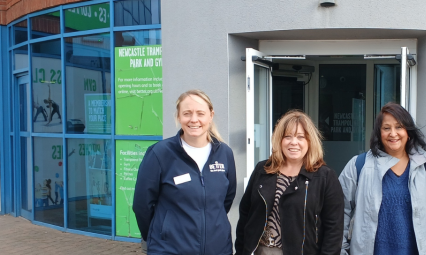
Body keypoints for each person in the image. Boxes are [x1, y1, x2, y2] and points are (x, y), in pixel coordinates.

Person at [339, 103, 426, 255]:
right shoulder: (358, 166)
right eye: (386, 128)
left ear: (408, 131)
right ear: (379, 133)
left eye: (399, 127)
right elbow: (339, 213)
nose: (393, 134)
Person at [133, 89, 236, 255]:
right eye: (187, 113)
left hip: (218, 249)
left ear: (211, 115)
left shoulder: (225, 153)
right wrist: (159, 236)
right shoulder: (160, 153)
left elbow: (226, 201)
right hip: (170, 249)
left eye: (200, 113)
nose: (194, 119)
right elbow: (142, 205)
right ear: (178, 117)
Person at [235, 110, 344, 255]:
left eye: (301, 137)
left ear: (310, 141)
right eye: (288, 137)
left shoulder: (325, 177)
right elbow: (245, 214)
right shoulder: (263, 170)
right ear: (279, 140)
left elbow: (334, 228)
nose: (294, 142)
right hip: (260, 251)